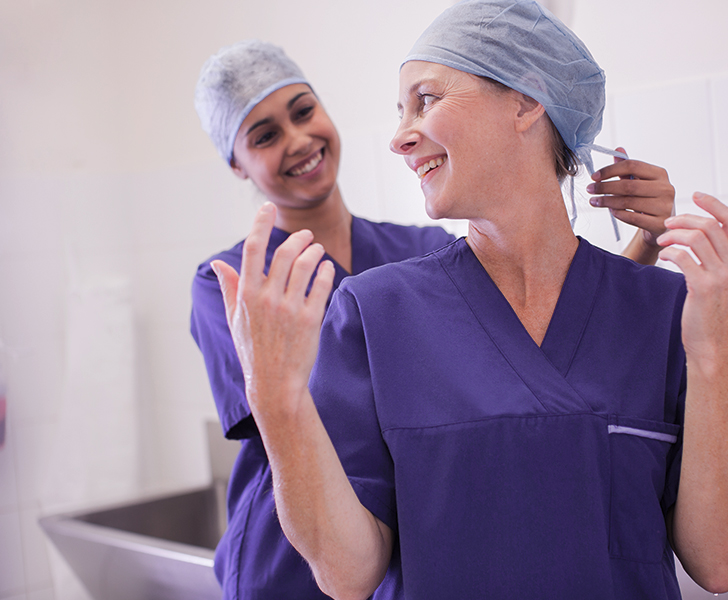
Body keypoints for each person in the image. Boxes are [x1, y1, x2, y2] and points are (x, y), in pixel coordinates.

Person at [192, 34, 679, 600]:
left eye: (303, 112)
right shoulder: (231, 282)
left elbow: (548, 342)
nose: (298, 138)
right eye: (266, 135)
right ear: (237, 162)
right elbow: (302, 413)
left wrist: (645, 255)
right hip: (294, 553)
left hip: (413, 531)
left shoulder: (415, 254)